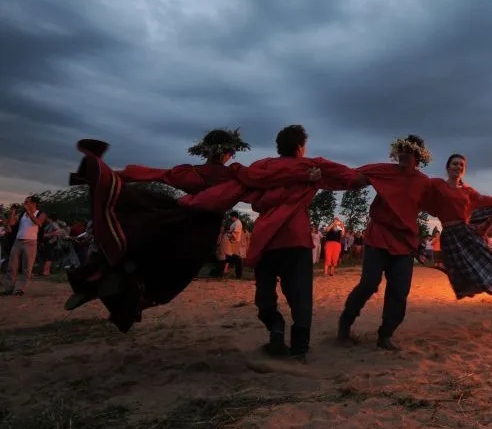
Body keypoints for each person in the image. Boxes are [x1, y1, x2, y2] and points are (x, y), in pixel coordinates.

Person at [62, 129, 275, 332]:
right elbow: (259, 188)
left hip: (176, 221)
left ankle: (94, 280)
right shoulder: (233, 176)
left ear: (206, 150)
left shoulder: (191, 173)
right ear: (229, 153)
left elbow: (156, 174)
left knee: (140, 251)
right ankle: (130, 306)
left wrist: (118, 176)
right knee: (173, 280)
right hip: (202, 234)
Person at [180, 124, 362, 360]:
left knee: (265, 296)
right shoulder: (310, 166)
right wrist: (372, 177)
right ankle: (299, 351)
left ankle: (275, 326)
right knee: (300, 298)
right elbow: (349, 177)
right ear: (300, 148)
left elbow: (242, 177)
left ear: (279, 147)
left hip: (266, 239)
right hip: (296, 239)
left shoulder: (263, 167)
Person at [337, 135, 435, 351]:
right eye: (399, 151)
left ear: (418, 157)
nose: (402, 155)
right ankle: (345, 322)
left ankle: (385, 335)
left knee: (399, 291)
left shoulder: (424, 182)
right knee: (369, 283)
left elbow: (443, 204)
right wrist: (335, 178)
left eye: (407, 152)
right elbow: (355, 177)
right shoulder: (383, 171)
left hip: (404, 242)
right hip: (378, 235)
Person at [423, 154, 492, 299]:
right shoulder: (437, 184)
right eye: (455, 164)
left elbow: (488, 200)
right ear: (448, 167)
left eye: (461, 165)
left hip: (465, 232)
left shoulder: (467, 191)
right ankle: (471, 288)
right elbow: (418, 186)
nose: (458, 167)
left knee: (491, 261)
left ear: (463, 170)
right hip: (449, 236)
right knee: (459, 270)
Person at [4, 196, 48, 296]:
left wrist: (29, 212)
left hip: (31, 243)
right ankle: (8, 288)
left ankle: (20, 289)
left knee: (26, 267)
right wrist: (13, 211)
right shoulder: (22, 214)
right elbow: (11, 223)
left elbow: (38, 223)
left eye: (27, 202)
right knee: (12, 266)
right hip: (18, 241)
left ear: (33, 203)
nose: (24, 203)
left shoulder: (41, 214)